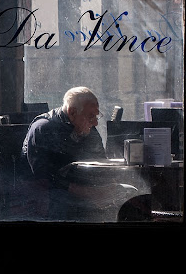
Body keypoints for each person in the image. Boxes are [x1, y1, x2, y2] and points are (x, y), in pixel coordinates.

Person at [22, 87, 134, 219]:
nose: (96, 122)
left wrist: (112, 186)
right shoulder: (44, 128)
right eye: (91, 116)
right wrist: (90, 193)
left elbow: (100, 163)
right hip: (48, 197)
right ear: (72, 112)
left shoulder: (89, 130)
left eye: (97, 116)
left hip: (80, 190)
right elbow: (45, 178)